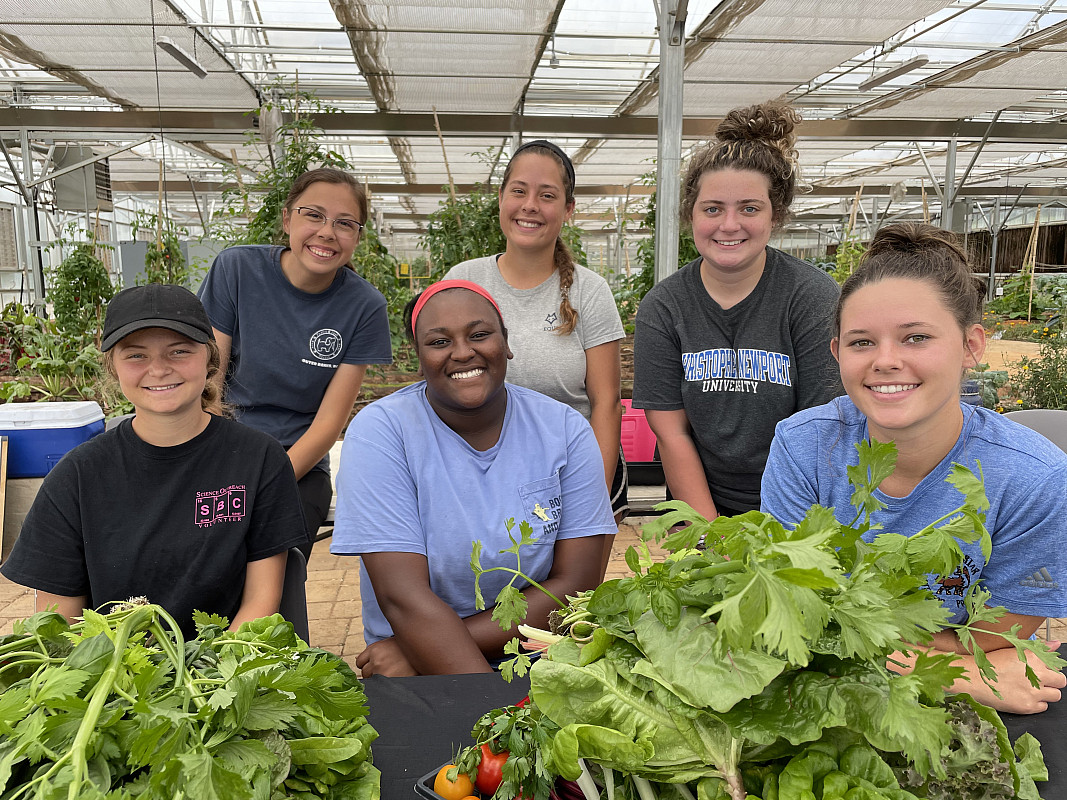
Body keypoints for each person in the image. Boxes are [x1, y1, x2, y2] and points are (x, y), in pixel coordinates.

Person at [761, 222, 1067, 714]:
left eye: (916, 337)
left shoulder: (1035, 479)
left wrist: (870, 649)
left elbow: (1000, 633)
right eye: (862, 342)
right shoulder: (803, 447)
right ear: (838, 354)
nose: (886, 361)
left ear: (972, 345)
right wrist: (961, 676)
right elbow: (789, 619)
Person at [331, 280, 616, 677]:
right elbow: (403, 598)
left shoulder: (564, 429)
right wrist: (498, 714)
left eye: (480, 334)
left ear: (507, 343)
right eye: (439, 341)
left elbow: (575, 583)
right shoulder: (382, 432)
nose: (463, 352)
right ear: (418, 357)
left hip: (539, 653)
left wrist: (420, 651)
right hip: (420, 653)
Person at [0, 285, 307, 638]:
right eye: (136, 356)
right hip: (115, 681)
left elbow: (260, 600)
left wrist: (204, 683)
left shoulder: (260, 459)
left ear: (209, 360)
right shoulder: (77, 477)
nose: (159, 370)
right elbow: (62, 628)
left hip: (226, 673)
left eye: (179, 351)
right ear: (113, 368)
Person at [632, 102, 841, 519]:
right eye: (713, 209)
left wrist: (781, 539)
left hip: (802, 504)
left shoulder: (812, 297)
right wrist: (711, 536)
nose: (729, 225)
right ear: (690, 213)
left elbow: (820, 431)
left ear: (774, 214)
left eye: (749, 208)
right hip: (699, 504)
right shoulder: (665, 307)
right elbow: (671, 434)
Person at [198, 168, 392, 560]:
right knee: (199, 555)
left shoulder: (364, 307)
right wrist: (222, 472)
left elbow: (327, 426)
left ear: (357, 236)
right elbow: (208, 383)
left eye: (344, 223)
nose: (326, 232)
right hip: (220, 449)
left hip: (297, 466)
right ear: (288, 218)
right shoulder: (237, 271)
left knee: (271, 560)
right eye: (314, 215)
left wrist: (263, 485)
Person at [446, 140, 627, 544]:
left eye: (547, 196)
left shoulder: (589, 292)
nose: (530, 205)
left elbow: (606, 404)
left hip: (570, 473)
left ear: (567, 210)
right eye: (519, 191)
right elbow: (436, 385)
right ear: (501, 198)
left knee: (565, 600)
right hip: (477, 472)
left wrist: (589, 497)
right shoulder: (463, 282)